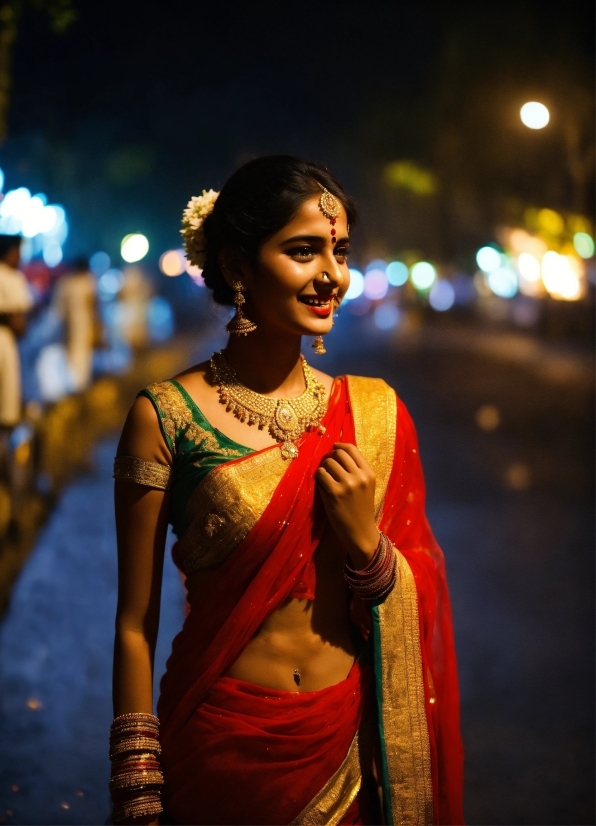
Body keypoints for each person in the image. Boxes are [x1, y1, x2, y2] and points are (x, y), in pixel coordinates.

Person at [111, 156, 464, 825]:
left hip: (344, 749)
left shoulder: (375, 414)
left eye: (339, 251)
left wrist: (370, 550)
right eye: (303, 251)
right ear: (238, 267)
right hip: (219, 746)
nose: (331, 274)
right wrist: (136, 779)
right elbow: (135, 623)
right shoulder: (165, 417)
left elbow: (417, 584)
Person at [0, 235, 33, 429]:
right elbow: (19, 321)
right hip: (5, 340)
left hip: (8, 339)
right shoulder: (12, 277)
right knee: (7, 397)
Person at [53, 257, 98, 392]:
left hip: (77, 325)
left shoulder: (68, 283)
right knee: (78, 355)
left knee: (78, 355)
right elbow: (94, 305)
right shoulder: (85, 282)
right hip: (77, 325)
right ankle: (78, 386)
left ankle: (78, 385)